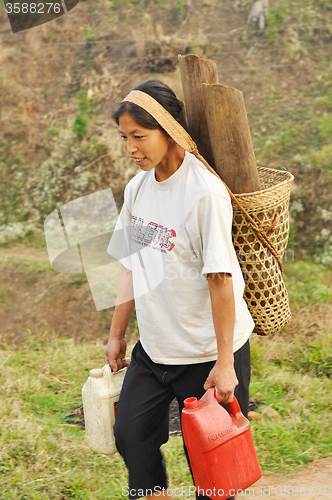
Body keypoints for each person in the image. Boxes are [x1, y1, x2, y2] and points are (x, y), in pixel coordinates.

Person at [105, 79, 254, 500]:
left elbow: (221, 281)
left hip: (207, 354)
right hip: (155, 350)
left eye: (139, 136)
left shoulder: (202, 192)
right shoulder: (138, 188)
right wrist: (117, 334)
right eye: (124, 138)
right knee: (131, 436)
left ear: (168, 130)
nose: (131, 148)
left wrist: (225, 365)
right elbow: (128, 264)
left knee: (212, 463)